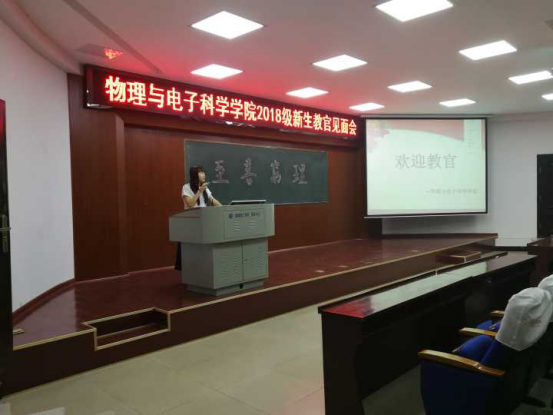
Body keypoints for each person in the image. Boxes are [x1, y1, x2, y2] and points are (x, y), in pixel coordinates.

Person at [175, 166, 221, 270]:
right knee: (191, 249)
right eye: (201, 173)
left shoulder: (205, 188)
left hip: (203, 222)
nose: (204, 174)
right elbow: (190, 204)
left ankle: (202, 267)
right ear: (194, 175)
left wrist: (224, 209)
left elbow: (213, 200)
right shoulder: (186, 187)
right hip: (191, 223)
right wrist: (199, 191)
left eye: (204, 172)